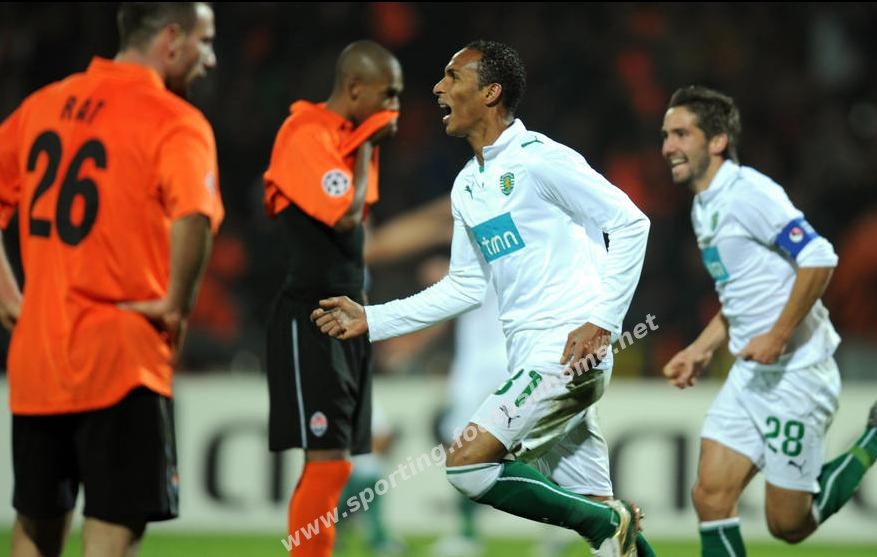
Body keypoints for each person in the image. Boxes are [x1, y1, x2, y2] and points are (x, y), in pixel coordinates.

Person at [313, 40, 654, 557]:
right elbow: (463, 287)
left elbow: (631, 223)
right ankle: (608, 521)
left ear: (491, 93)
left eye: (453, 77)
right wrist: (372, 320)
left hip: (567, 350)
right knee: (610, 540)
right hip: (530, 354)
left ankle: (606, 521)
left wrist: (603, 321)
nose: (438, 88)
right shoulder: (468, 186)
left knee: (468, 463)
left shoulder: (541, 160)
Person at [659, 85, 877, 557]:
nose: (668, 147)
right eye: (666, 135)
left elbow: (819, 257)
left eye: (681, 134)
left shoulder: (750, 194)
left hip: (797, 376)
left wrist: (778, 335)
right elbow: (742, 295)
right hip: (752, 375)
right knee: (710, 496)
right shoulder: (704, 206)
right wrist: (701, 348)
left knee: (789, 524)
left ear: (718, 140)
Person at [0, 3, 222, 556]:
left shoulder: (44, 105)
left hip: (38, 360)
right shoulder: (175, 120)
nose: (212, 58)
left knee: (35, 528)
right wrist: (176, 304)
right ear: (171, 39)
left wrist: (7, 295)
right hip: (122, 360)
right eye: (205, 41)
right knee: (112, 533)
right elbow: (194, 216)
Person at [262, 40, 402, 557]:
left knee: (338, 461)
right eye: (389, 94)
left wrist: (363, 142)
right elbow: (343, 214)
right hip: (313, 315)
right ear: (355, 88)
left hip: (346, 316)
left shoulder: (346, 138)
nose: (395, 107)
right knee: (327, 463)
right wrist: (366, 145)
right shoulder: (307, 133)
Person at [365, 196, 508, 556]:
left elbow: (397, 246)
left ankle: (468, 535)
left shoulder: (491, 231)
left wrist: (407, 342)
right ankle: (471, 532)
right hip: (502, 360)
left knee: (463, 448)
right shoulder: (510, 238)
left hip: (484, 366)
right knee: (480, 447)